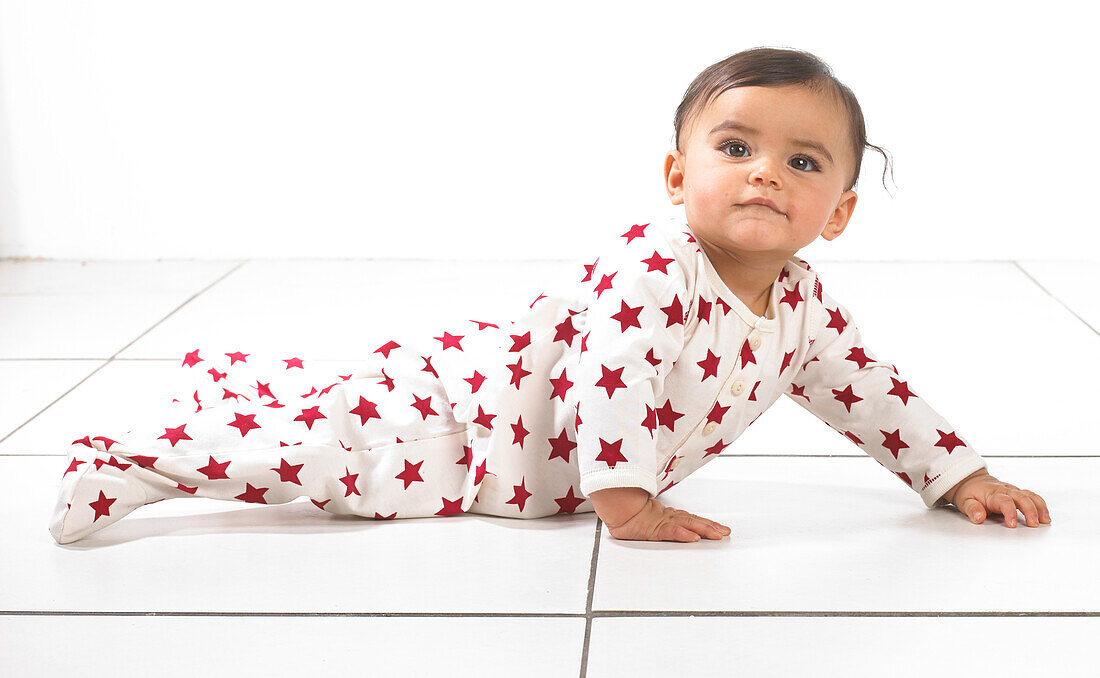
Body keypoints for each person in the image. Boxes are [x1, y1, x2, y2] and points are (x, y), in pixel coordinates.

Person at [48, 46, 1052, 545]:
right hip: (468, 429)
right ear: (675, 177)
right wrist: (626, 499)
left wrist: (955, 477)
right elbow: (611, 375)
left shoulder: (804, 309)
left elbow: (867, 392)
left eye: (801, 162)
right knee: (329, 461)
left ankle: (217, 399)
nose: (763, 174)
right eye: (735, 148)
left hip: (492, 416)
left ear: (833, 213)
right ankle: (128, 464)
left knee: (328, 412)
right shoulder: (655, 273)